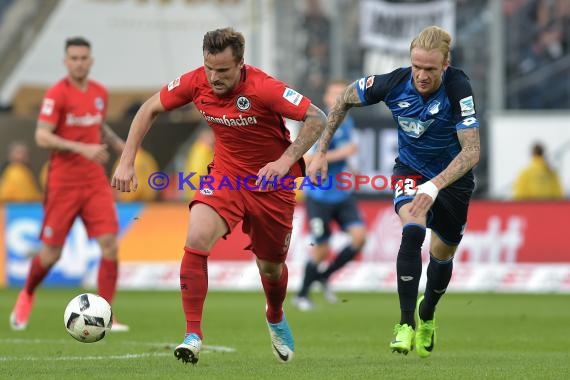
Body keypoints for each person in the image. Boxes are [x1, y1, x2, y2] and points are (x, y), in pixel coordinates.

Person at [111, 27, 327, 365]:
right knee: (196, 236)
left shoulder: (264, 87)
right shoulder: (195, 81)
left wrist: (285, 161)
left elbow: (318, 117)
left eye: (223, 70)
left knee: (271, 269)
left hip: (272, 186)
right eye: (209, 67)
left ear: (241, 64)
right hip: (225, 178)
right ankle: (193, 334)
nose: (214, 77)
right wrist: (127, 161)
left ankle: (274, 314)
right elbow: (149, 108)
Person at [307, 26, 481, 358]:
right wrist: (321, 150)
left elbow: (471, 152)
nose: (422, 75)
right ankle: (405, 324)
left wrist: (434, 186)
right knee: (412, 225)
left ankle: (427, 313)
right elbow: (344, 98)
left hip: (452, 182)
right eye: (417, 66)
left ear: (446, 65)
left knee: (442, 256)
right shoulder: (393, 83)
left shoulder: (459, 88)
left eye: (430, 69)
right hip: (411, 172)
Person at [9, 37, 129, 332]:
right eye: (73, 57)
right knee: (51, 253)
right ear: (65, 61)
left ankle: (107, 315)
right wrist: (81, 149)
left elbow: (96, 124)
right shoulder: (57, 94)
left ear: (91, 61)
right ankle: (27, 295)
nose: (79, 62)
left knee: (110, 245)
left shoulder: (99, 93)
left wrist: (118, 144)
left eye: (83, 57)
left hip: (94, 182)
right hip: (63, 182)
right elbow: (42, 136)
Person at [293, 79, 366, 311]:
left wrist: (351, 166)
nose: (337, 99)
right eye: (333, 95)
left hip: (341, 193)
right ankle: (302, 294)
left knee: (359, 238)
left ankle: (324, 276)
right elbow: (306, 160)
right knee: (322, 248)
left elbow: (348, 152)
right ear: (325, 98)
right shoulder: (317, 123)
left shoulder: (347, 122)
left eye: (341, 95)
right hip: (319, 195)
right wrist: (343, 153)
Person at [183, 127, 214, 200]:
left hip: (196, 194)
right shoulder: (202, 150)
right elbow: (197, 172)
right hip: (200, 194)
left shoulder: (197, 150)